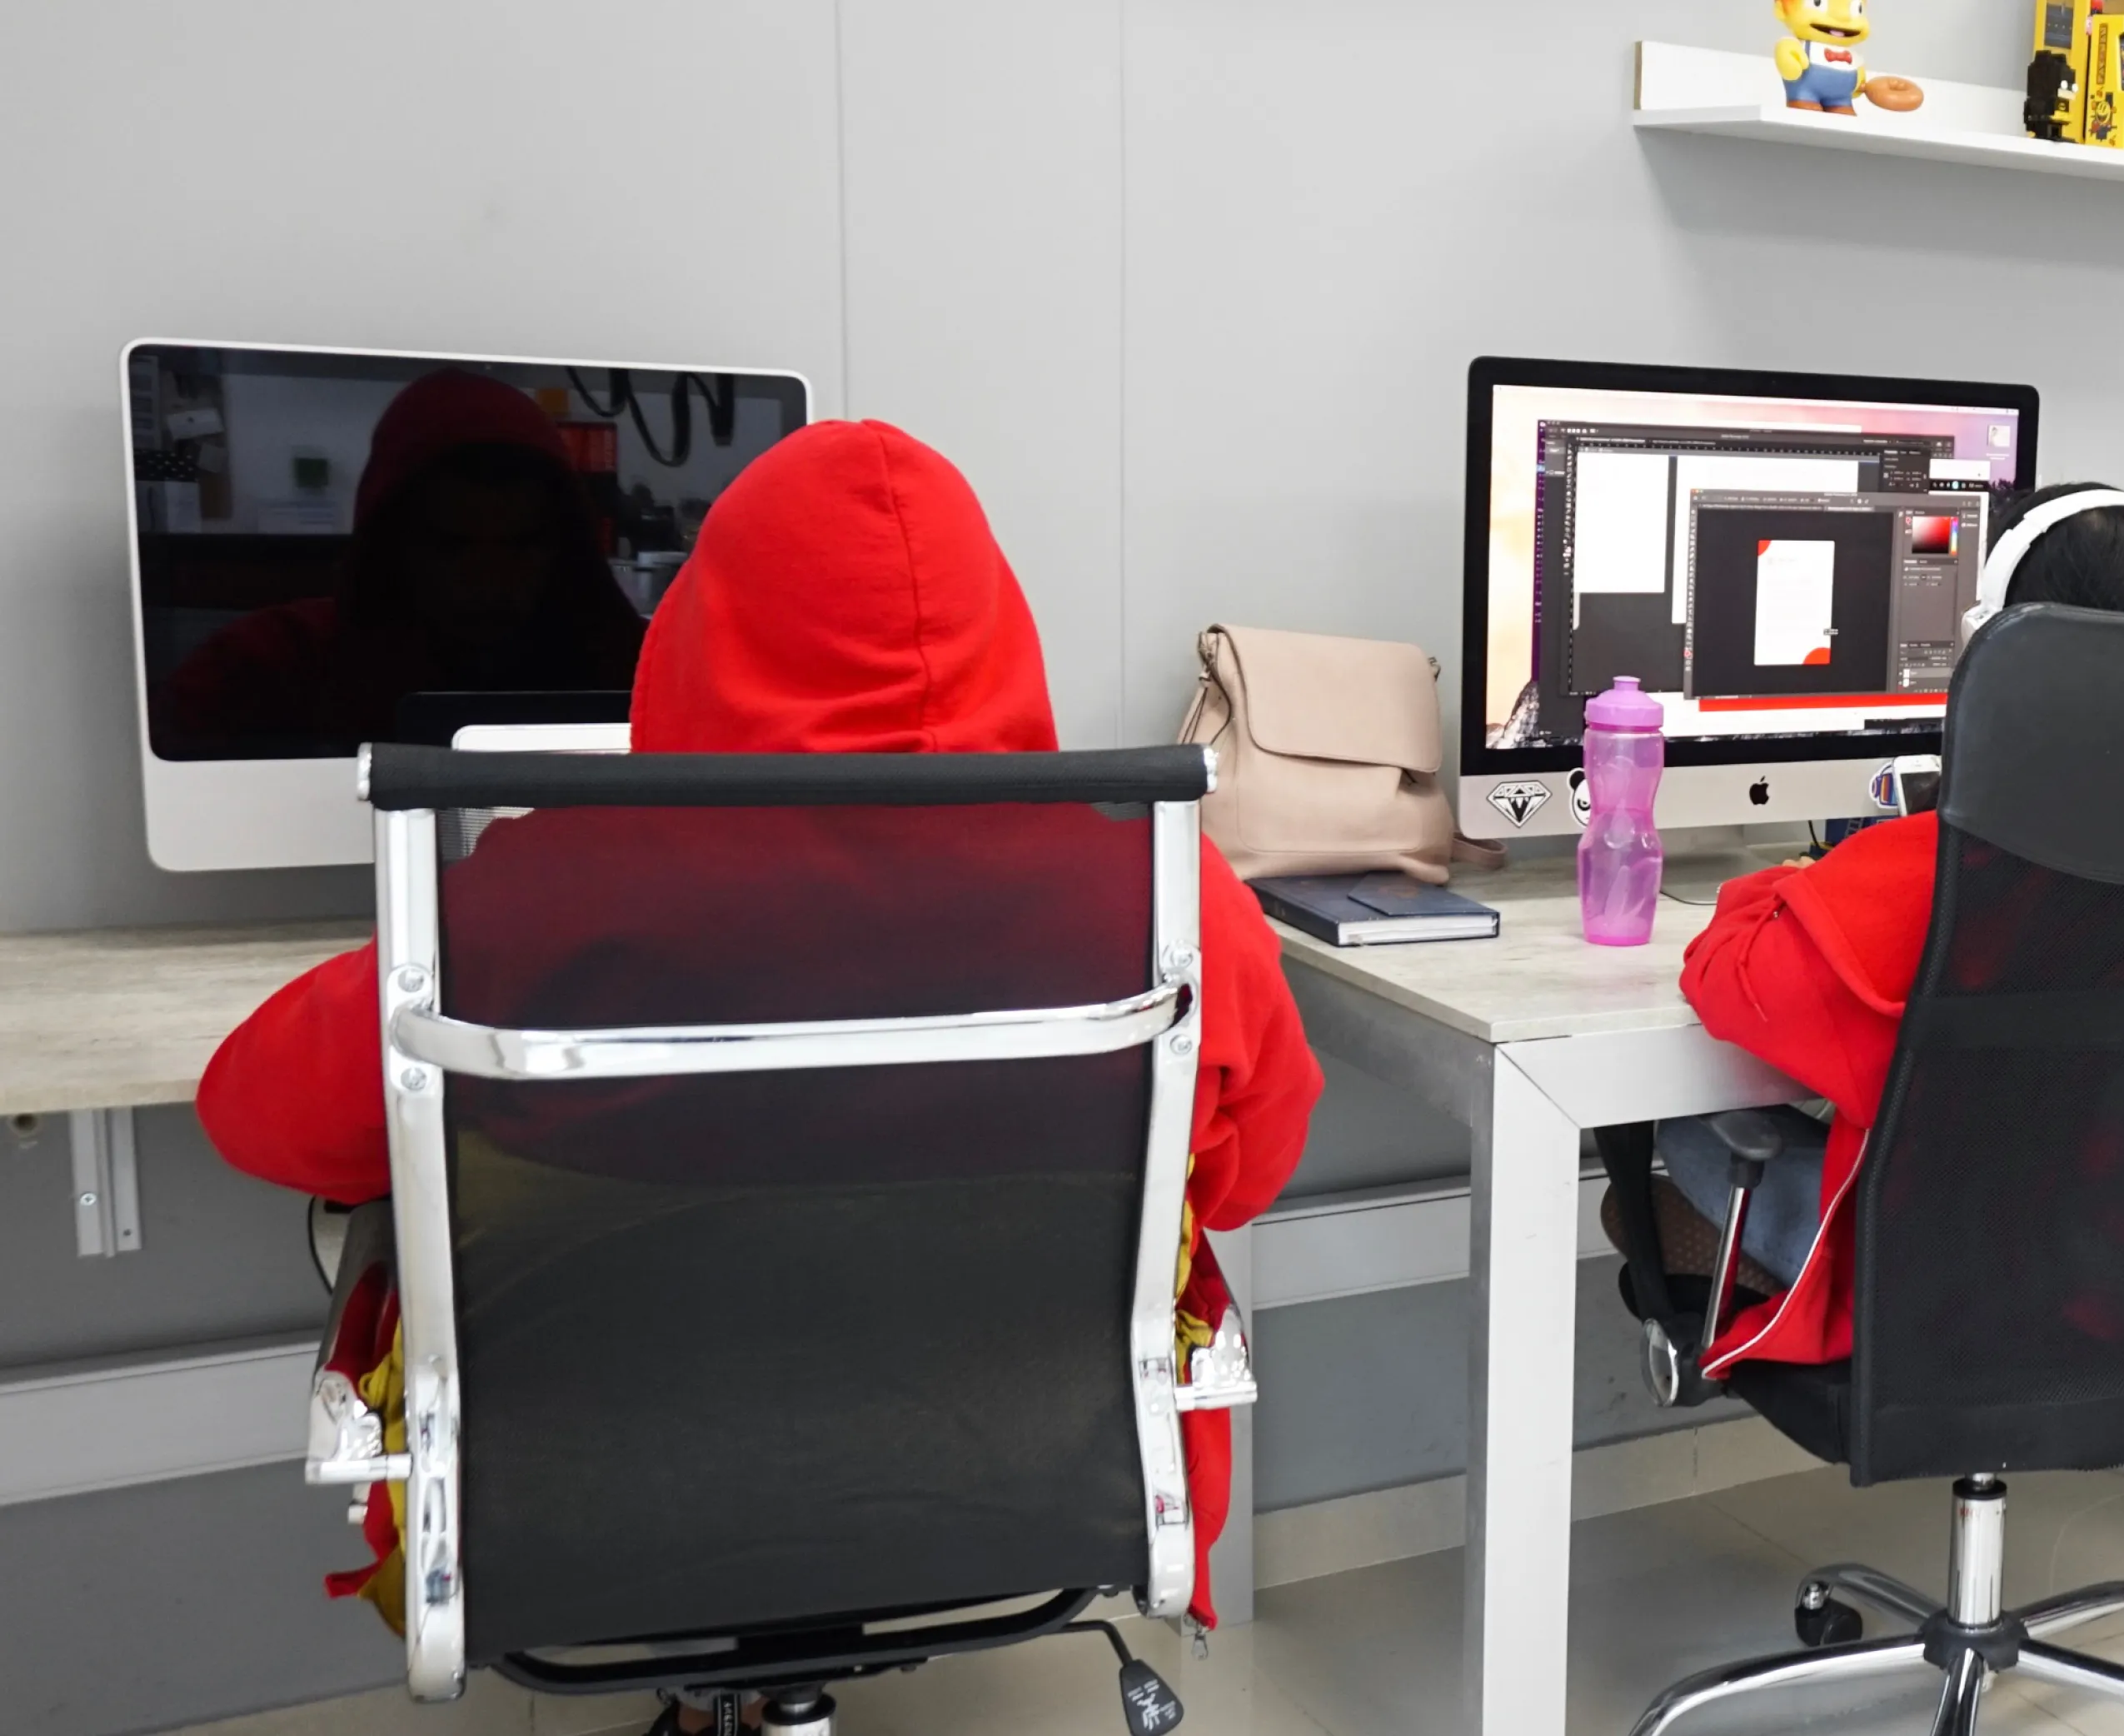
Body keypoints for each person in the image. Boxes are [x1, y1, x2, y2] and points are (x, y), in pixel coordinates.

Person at [193, 422, 1322, 1661]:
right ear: (1003, 623)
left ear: (703, 627)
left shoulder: (525, 902)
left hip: (594, 1505)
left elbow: (252, 1113)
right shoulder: (1172, 898)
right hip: (1029, 1477)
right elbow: (1246, 1176)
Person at [1658, 482, 2124, 1377]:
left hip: (1961, 1272)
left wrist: (1787, 888)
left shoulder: (1942, 864)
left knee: (1688, 1130)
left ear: (1995, 650)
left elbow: (1729, 981)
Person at [156, 368, 651, 757]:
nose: (489, 579)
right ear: (394, 546)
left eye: (521, 546)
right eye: (451, 548)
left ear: (564, 547)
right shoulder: (261, 668)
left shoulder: (633, 674)